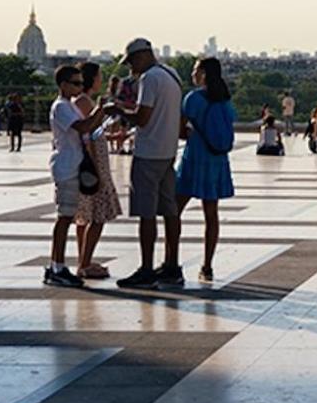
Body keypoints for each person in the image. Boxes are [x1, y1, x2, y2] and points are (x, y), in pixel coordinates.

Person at [110, 38, 185, 291]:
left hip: (149, 152)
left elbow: (142, 118)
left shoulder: (149, 79)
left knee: (147, 213)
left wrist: (117, 110)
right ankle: (172, 265)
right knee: (171, 210)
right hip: (168, 151)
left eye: (132, 61)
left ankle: (146, 268)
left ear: (142, 56)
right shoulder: (171, 74)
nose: (131, 67)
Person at [45, 63, 116, 288]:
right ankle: (56, 266)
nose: (80, 87)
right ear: (63, 85)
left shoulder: (69, 106)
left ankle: (58, 266)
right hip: (67, 167)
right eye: (75, 83)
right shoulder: (62, 107)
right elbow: (84, 127)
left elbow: (89, 128)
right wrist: (100, 111)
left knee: (67, 218)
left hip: (73, 166)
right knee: (64, 218)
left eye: (81, 83)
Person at [177, 57, 237, 284]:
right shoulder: (224, 100)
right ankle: (207, 265)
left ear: (202, 73)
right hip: (217, 160)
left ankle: (171, 260)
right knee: (211, 215)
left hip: (195, 158)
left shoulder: (193, 99)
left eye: (195, 70)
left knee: (175, 210)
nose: (192, 74)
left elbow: (181, 130)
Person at [71, 62, 122, 279]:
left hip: (93, 162)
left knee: (86, 215)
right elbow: (88, 133)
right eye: (100, 76)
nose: (102, 80)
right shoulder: (84, 102)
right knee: (96, 215)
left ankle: (84, 260)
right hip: (93, 164)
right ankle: (84, 263)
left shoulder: (83, 101)